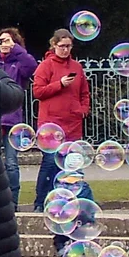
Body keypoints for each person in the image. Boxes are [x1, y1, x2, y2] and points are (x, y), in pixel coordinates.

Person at [30, 30, 92, 217]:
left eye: (68, 46)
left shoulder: (77, 67)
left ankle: (72, 203)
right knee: (50, 164)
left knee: (73, 165)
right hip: (51, 125)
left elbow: (84, 93)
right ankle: (41, 201)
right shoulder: (45, 66)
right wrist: (60, 84)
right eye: (62, 46)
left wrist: (83, 109)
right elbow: (38, 92)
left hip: (72, 124)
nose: (65, 50)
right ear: (54, 45)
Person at [0, 29, 36, 206]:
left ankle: (13, 203)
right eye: (0, 41)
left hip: (11, 120)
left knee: (11, 163)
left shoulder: (19, 62)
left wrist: (16, 48)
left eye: (7, 41)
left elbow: (32, 67)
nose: (3, 44)